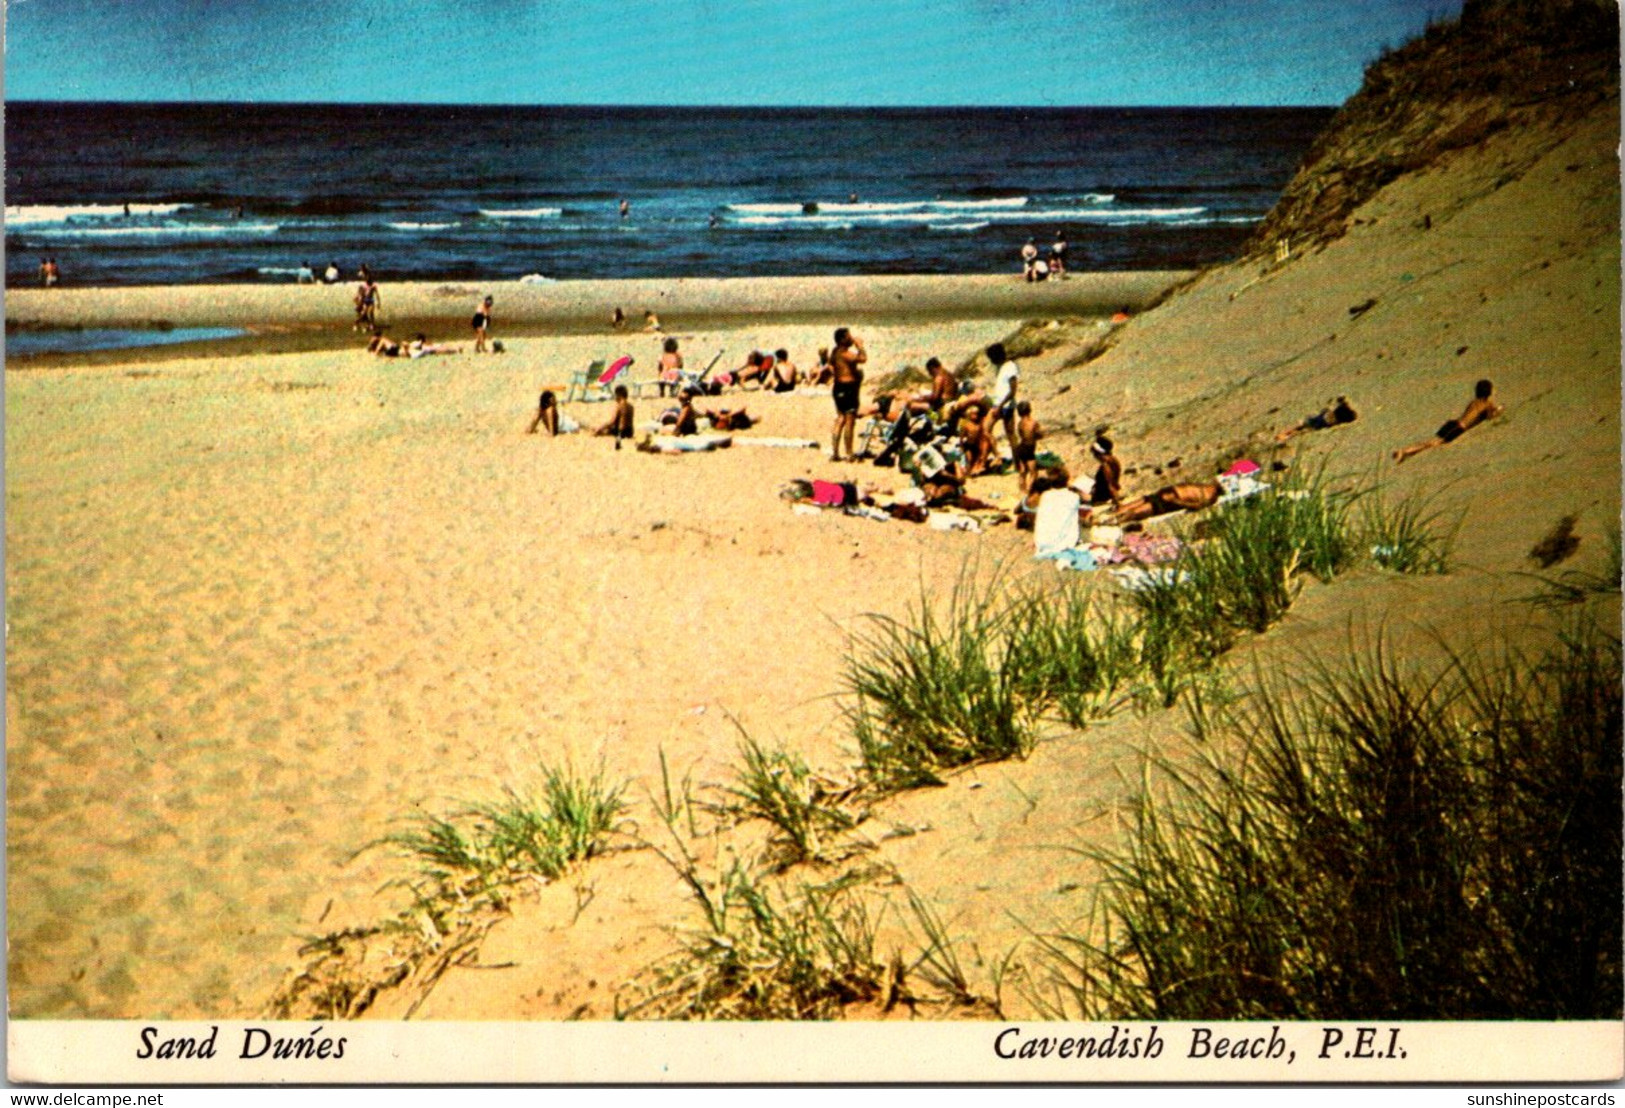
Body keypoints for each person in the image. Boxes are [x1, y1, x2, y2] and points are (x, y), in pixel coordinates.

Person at [1393, 380, 1503, 463]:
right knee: (1433, 443)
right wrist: (1498, 410)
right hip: (1458, 428)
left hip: (1453, 424)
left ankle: (1406, 454)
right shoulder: (1487, 404)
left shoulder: (1475, 402)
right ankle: (1404, 451)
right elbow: (1489, 417)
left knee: (1433, 443)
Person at [829, 327, 866, 461]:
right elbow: (862, 359)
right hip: (848, 388)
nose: (851, 338)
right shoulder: (845, 353)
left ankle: (835, 453)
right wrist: (860, 346)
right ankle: (849, 453)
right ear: (842, 339)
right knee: (849, 420)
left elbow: (832, 365)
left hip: (838, 387)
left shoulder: (835, 352)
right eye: (848, 336)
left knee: (840, 419)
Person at [1114, 481, 1222, 523]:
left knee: (1136, 512)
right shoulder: (1207, 485)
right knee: (1137, 503)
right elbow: (1188, 486)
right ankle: (1111, 517)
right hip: (1170, 491)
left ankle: (1114, 522)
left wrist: (1174, 500)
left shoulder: (1211, 497)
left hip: (1171, 501)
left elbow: (1195, 506)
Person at [1276, 396, 1358, 443]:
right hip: (1318, 421)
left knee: (1301, 428)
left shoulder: (1331, 420)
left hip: (1318, 424)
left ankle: (1284, 437)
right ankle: (1283, 436)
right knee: (1301, 427)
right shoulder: (1330, 414)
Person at [987, 342, 1020, 458]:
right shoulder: (1000, 367)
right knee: (987, 429)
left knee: (1010, 434)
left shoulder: (1010, 368)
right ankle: (998, 456)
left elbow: (1012, 391)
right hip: (999, 404)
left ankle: (1016, 461)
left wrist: (1000, 406)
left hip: (1006, 406)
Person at [1086, 435, 1123, 509]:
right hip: (1105, 494)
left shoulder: (1105, 465)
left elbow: (1110, 486)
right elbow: (1115, 481)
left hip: (1102, 497)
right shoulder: (1114, 460)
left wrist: (1118, 503)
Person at [1013, 401, 1042, 492]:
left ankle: (1022, 489)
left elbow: (1022, 434)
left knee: (1023, 471)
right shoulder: (1033, 422)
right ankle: (1030, 489)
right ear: (1029, 410)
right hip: (1029, 449)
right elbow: (1039, 434)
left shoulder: (1020, 423)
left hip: (1021, 447)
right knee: (1033, 472)